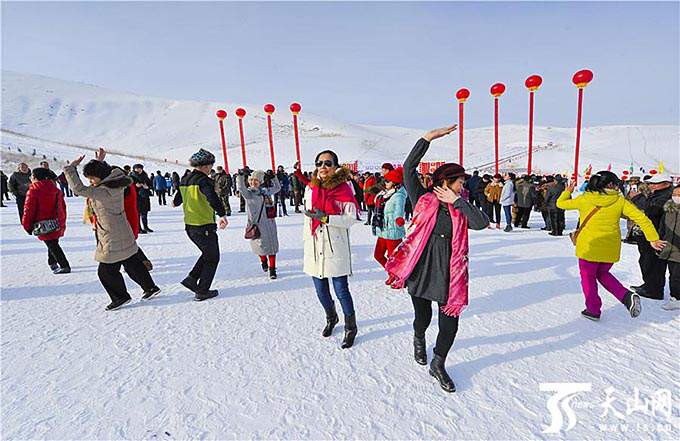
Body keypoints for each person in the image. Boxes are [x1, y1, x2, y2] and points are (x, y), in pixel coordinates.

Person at [386, 125, 489, 393]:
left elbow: (481, 222)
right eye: (460, 183)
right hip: (422, 269)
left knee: (450, 325)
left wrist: (457, 201)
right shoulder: (422, 198)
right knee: (423, 317)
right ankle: (419, 337)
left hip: (450, 274)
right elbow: (408, 169)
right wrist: (427, 139)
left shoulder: (460, 207)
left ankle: (438, 363)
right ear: (446, 182)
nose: (463, 186)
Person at [557, 171, 665, 320]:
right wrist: (653, 238)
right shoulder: (619, 201)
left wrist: (567, 192)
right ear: (610, 185)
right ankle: (625, 296)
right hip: (610, 247)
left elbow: (561, 204)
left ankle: (593, 309)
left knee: (588, 277)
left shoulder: (584, 199)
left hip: (589, 247)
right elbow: (642, 218)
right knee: (602, 273)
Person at [64, 155, 161, 310]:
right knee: (131, 261)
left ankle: (120, 297)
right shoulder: (116, 183)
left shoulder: (104, 191)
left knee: (106, 271)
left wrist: (70, 169)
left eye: (92, 178)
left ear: (100, 176)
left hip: (111, 233)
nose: (92, 182)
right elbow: (108, 174)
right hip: (122, 229)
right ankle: (150, 287)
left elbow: (78, 189)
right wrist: (100, 162)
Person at [299, 150, 361, 349]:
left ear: (335, 166)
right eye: (319, 163)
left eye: (327, 163)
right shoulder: (311, 188)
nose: (323, 167)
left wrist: (326, 218)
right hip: (314, 243)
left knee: (341, 289)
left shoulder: (344, 188)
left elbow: (351, 218)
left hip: (335, 245)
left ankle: (351, 327)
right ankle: (331, 317)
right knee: (320, 290)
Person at [172, 149, 228, 301]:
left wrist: (176, 202)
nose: (211, 169)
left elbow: (176, 201)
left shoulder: (185, 179)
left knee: (207, 253)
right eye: (210, 166)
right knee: (212, 257)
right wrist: (222, 214)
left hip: (190, 225)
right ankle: (202, 290)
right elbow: (212, 197)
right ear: (205, 166)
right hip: (203, 225)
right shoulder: (204, 181)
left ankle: (192, 278)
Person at [629, 174, 674, 300]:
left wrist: (637, 197)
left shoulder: (667, 195)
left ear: (666, 183)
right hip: (651, 233)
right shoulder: (659, 193)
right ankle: (648, 285)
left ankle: (653, 290)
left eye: (655, 183)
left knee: (653, 263)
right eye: (650, 183)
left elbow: (652, 209)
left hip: (658, 235)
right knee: (645, 260)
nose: (651, 186)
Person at [21, 167, 70, 273]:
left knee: (52, 244)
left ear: (36, 177)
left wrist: (26, 225)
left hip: (42, 224)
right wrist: (61, 221)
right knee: (53, 242)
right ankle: (52, 262)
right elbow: (62, 207)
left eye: (31, 175)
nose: (30, 177)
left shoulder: (33, 191)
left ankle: (64, 265)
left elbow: (28, 210)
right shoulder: (56, 190)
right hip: (56, 222)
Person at [237, 169, 281, 279]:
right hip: (257, 224)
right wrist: (240, 176)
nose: (253, 182)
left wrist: (273, 177)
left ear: (261, 182)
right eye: (251, 180)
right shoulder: (249, 194)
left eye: (256, 180)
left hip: (270, 223)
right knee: (260, 246)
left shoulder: (266, 192)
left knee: (272, 247)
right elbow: (241, 188)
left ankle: (272, 270)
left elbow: (277, 187)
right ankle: (263, 261)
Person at [372, 167, 407, 283]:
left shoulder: (399, 195)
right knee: (378, 255)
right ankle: (392, 272)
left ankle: (398, 277)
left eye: (388, 181)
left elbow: (399, 209)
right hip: (383, 229)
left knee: (394, 258)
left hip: (393, 230)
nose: (385, 182)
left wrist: (399, 218)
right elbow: (376, 202)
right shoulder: (384, 194)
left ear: (395, 182)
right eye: (385, 180)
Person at [658, 185, 680, 310]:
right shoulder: (668, 210)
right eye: (674, 194)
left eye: (679, 194)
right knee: (674, 275)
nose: (676, 197)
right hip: (670, 248)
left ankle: (676, 298)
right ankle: (675, 298)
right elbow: (662, 227)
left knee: (676, 276)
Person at [130, 164, 153, 233]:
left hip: (145, 196)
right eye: (137, 168)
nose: (139, 170)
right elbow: (128, 187)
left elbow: (151, 184)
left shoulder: (145, 176)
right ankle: (138, 228)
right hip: (137, 197)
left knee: (145, 213)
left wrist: (148, 187)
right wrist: (135, 186)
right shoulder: (131, 177)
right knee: (137, 214)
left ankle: (145, 227)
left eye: (140, 168)